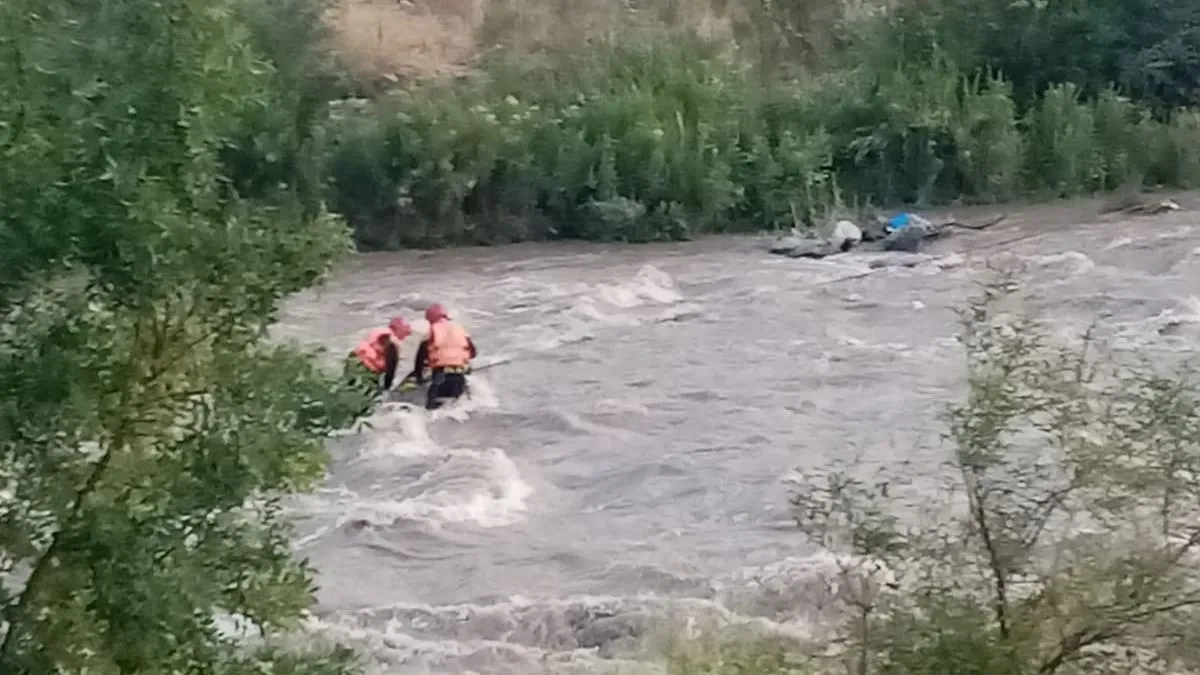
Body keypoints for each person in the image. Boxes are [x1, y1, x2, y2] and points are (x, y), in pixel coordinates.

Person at [399, 303, 477, 410]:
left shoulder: (431, 332)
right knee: (456, 408)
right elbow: (473, 353)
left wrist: (419, 379)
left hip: (441, 377)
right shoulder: (461, 330)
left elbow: (419, 360)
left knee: (431, 410)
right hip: (460, 377)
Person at [344, 317, 413, 411]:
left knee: (349, 391)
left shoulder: (378, 331)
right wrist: (387, 388)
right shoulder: (393, 343)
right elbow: (390, 368)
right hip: (365, 369)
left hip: (353, 360)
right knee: (370, 401)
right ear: (399, 329)